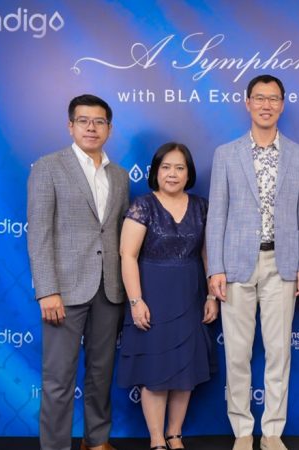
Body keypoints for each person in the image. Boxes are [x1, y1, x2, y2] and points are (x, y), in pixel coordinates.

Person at [205, 74, 299, 450]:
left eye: (273, 99)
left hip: (281, 264)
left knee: (278, 352)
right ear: (248, 103)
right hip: (236, 264)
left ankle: (271, 432)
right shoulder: (226, 154)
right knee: (237, 353)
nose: (266, 105)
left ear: (282, 104)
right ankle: (241, 431)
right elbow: (217, 215)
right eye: (259, 98)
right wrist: (215, 268)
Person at [27, 94, 129, 450]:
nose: (91, 127)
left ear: (109, 129)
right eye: (83, 120)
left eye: (99, 121)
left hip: (110, 289)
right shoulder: (48, 167)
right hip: (64, 291)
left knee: (101, 373)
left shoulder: (119, 175)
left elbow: (119, 233)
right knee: (58, 378)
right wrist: (47, 290)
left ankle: (96, 440)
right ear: (70, 126)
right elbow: (39, 233)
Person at [117, 143, 218, 450]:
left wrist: (211, 297)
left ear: (188, 174)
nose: (172, 174)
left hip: (190, 294)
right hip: (152, 296)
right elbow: (128, 255)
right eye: (166, 167)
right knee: (156, 371)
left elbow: (207, 255)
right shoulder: (143, 206)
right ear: (156, 172)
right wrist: (136, 301)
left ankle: (175, 434)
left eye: (179, 168)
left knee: (185, 369)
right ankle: (156, 438)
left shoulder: (201, 207)